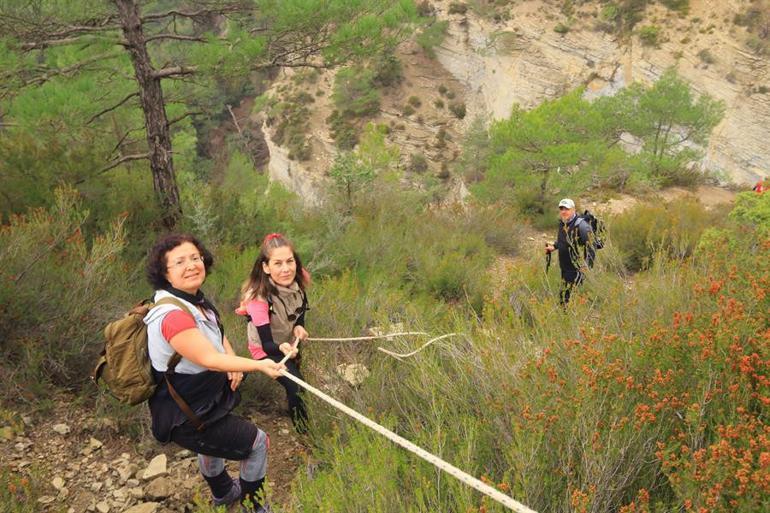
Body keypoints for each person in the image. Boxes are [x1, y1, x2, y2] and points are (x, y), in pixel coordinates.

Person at [143, 233, 284, 512]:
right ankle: (253, 507)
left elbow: (215, 338)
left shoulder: (193, 301)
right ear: (165, 273)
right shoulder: (172, 314)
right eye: (180, 261)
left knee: (210, 444)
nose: (192, 265)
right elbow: (209, 358)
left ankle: (223, 493)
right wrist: (258, 365)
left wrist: (230, 358)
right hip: (185, 414)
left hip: (199, 403)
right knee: (257, 443)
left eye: (195, 258)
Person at [238, 233, 310, 433]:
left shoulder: (299, 282)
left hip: (288, 341)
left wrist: (299, 326)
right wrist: (282, 347)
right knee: (298, 386)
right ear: (266, 267)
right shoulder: (259, 299)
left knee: (296, 380)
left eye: (290, 261)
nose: (286, 269)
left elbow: (300, 311)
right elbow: (267, 343)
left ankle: (296, 412)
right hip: (266, 348)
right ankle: (305, 434)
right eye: (277, 263)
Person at [545, 198, 595, 305]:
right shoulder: (564, 223)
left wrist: (587, 265)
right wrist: (555, 246)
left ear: (573, 209)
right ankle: (565, 316)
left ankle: (569, 318)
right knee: (564, 296)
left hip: (576, 269)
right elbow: (565, 240)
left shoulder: (581, 226)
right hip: (565, 267)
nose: (563, 211)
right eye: (561, 209)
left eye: (566, 209)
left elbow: (591, 246)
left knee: (570, 299)